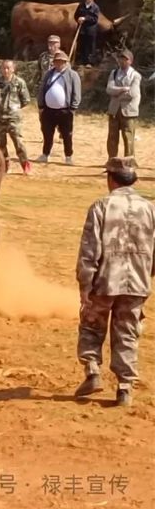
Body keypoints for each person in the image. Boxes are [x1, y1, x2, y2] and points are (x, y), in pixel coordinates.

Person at [74, 158, 155, 407]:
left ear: (111, 179)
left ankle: (92, 370)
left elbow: (89, 250)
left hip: (104, 281)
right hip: (138, 282)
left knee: (91, 326)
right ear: (134, 180)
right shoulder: (150, 208)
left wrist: (85, 285)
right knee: (127, 333)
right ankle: (124, 388)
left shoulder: (101, 206)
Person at [36, 50, 81, 165]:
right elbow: (42, 89)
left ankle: (68, 156)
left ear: (65, 62)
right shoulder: (49, 74)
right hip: (49, 110)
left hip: (65, 111)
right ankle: (45, 154)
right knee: (47, 133)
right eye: (56, 61)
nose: (58, 64)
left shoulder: (72, 75)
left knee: (67, 135)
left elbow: (77, 92)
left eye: (61, 61)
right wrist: (41, 105)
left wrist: (72, 108)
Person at [0, 60, 32, 174]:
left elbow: (26, 100)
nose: (6, 70)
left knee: (18, 142)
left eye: (8, 68)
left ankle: (25, 164)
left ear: (13, 69)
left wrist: (14, 109)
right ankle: (5, 165)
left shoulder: (19, 82)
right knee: (0, 144)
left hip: (13, 118)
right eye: (4, 68)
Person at [105, 49, 141, 162]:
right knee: (112, 137)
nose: (122, 61)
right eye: (120, 58)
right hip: (114, 110)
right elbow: (109, 89)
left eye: (125, 59)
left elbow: (132, 94)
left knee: (128, 138)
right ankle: (112, 160)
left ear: (130, 61)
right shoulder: (114, 73)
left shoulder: (135, 75)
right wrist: (122, 89)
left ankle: (128, 162)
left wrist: (117, 94)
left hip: (129, 111)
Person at [74, 0, 100, 66]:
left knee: (90, 47)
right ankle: (82, 61)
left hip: (91, 31)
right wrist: (78, 19)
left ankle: (90, 62)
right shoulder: (81, 6)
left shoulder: (95, 7)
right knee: (82, 45)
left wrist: (85, 19)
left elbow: (95, 19)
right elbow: (76, 15)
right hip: (81, 29)